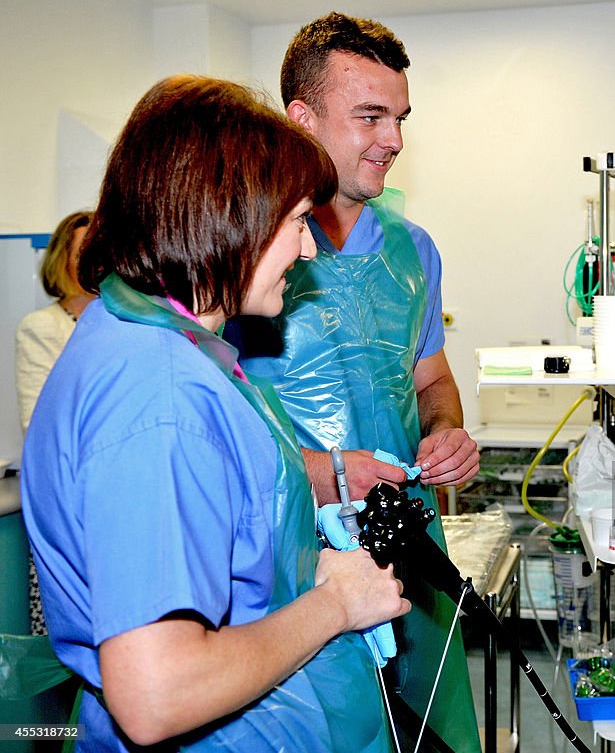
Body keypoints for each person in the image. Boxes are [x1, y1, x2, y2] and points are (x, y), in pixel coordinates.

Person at [20, 75, 409, 752]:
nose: (308, 249)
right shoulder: (158, 393)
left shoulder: (156, 339)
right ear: (230, 220)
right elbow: (156, 693)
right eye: (294, 224)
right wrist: (335, 604)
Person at [229, 13, 480, 751]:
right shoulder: (244, 253)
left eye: (399, 118)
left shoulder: (412, 250)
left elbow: (430, 378)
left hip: (407, 539)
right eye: (369, 116)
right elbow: (213, 435)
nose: (394, 140)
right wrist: (325, 475)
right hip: (300, 558)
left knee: (428, 728)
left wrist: (444, 434)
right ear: (300, 120)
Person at [15, 209, 94, 434]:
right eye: (83, 255)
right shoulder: (41, 327)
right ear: (62, 262)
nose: (97, 265)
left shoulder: (127, 325)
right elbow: (36, 423)